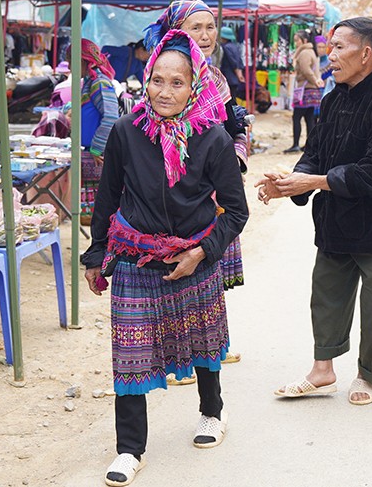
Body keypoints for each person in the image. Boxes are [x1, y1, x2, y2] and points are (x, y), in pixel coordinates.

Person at [82, 30, 249, 487]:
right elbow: (108, 196)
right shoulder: (125, 131)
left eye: (177, 82)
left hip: (195, 254)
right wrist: (97, 253)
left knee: (203, 340)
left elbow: (236, 211)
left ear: (194, 86)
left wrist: (201, 252)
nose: (164, 92)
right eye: (157, 80)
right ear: (146, 79)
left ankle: (212, 411)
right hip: (136, 255)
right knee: (130, 353)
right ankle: (129, 448)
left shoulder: (213, 138)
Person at [256, 17, 372, 406]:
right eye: (331, 45)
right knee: (326, 295)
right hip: (334, 221)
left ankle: (368, 375)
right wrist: (292, 181)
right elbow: (315, 154)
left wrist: (316, 181)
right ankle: (322, 369)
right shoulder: (332, 99)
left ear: (366, 54)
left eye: (340, 47)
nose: (331, 54)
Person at [143, 0, 249, 377]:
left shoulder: (215, 79)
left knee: (206, 271)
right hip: (174, 196)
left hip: (214, 194)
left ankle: (207, 348)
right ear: (175, 32)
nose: (205, 36)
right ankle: (180, 359)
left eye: (210, 26)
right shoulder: (161, 77)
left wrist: (234, 158)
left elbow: (237, 128)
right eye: (195, 27)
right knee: (172, 273)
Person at [74, 39, 121, 226]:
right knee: (91, 215)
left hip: (97, 155)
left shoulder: (100, 83)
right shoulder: (89, 82)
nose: (70, 66)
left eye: (73, 61)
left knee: (99, 214)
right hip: (90, 153)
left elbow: (110, 117)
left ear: (85, 61)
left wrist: (96, 149)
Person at [286, 30, 323, 153]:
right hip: (312, 90)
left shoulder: (304, 53)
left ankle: (296, 144)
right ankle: (309, 145)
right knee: (309, 118)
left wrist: (314, 80)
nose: (295, 43)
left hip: (306, 89)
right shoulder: (311, 51)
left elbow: (306, 70)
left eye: (297, 40)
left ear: (304, 41)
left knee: (297, 117)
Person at [218, 26, 246, 103]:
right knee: (233, 97)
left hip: (228, 77)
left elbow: (233, 62)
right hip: (234, 78)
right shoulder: (234, 46)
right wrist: (240, 75)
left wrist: (237, 73)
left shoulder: (225, 47)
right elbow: (239, 61)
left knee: (229, 99)